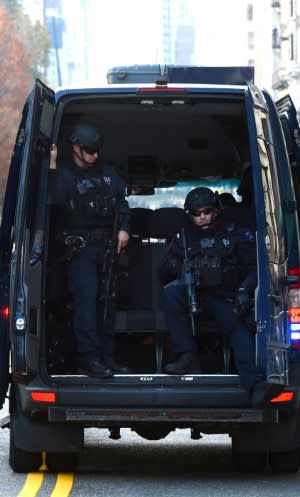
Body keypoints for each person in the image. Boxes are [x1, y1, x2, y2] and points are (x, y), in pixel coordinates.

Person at [159, 187, 274, 405]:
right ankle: (186, 356)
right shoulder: (183, 237)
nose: (202, 217)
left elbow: (255, 268)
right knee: (172, 292)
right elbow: (161, 275)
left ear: (216, 210)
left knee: (237, 327)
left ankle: (254, 384)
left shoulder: (234, 233)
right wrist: (174, 264)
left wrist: (244, 290)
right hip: (194, 298)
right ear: (189, 214)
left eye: (207, 211)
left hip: (225, 297)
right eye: (196, 213)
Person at [44, 122, 131, 377]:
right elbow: (54, 200)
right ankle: (88, 358)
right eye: (90, 151)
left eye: (97, 151)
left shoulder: (107, 173)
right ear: (75, 148)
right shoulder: (63, 174)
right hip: (79, 250)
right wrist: (51, 164)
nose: (95, 156)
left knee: (107, 303)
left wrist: (124, 228)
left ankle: (106, 357)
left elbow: (121, 203)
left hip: (106, 248)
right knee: (87, 304)